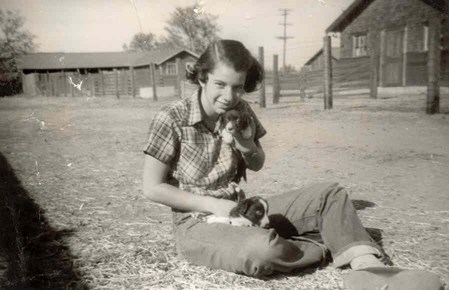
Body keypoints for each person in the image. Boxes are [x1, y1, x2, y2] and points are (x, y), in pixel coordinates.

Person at [142, 40, 442, 289]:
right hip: (197, 224)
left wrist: (246, 144)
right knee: (260, 250)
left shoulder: (239, 109)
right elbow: (152, 188)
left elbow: (257, 163)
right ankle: (330, 243)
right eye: (220, 84)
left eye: (238, 87)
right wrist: (212, 204)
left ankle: (367, 269)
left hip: (244, 213)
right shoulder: (172, 117)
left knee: (329, 194)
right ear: (203, 76)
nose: (229, 96)